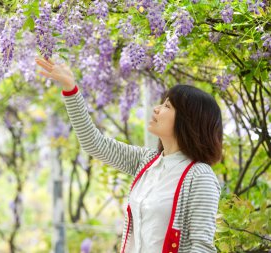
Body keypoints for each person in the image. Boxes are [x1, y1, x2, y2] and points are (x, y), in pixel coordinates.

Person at [35, 57, 222, 253]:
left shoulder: (200, 176)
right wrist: (70, 88)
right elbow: (94, 143)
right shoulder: (147, 162)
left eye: (167, 106)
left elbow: (202, 247)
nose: (157, 108)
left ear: (188, 121)